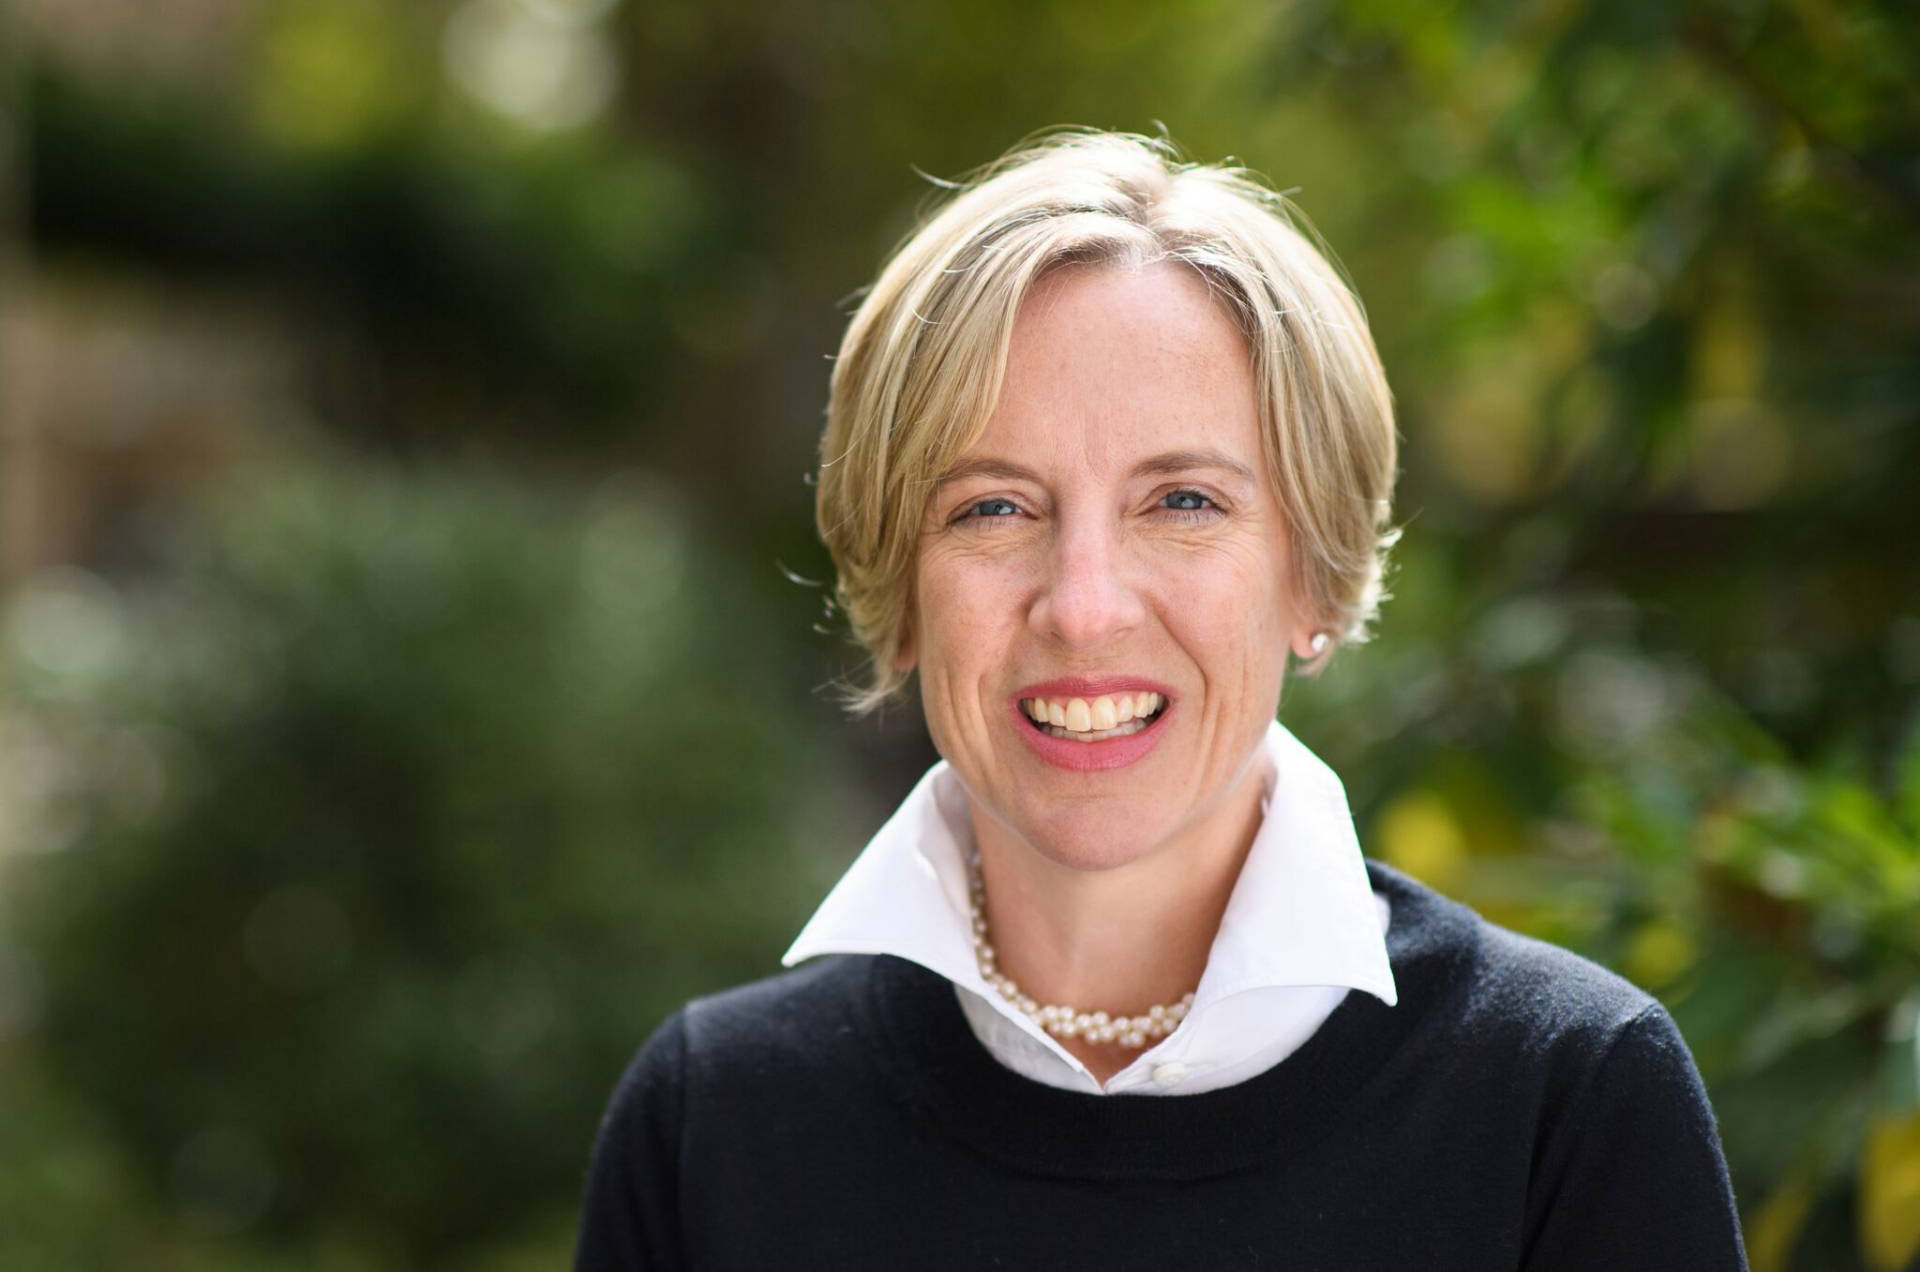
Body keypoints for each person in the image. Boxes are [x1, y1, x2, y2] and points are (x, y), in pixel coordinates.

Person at [573, 129, 1749, 1270]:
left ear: (1312, 575)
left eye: (1183, 500)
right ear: (901, 588)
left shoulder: (1568, 1101)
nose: (1083, 608)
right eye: (993, 507)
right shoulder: (711, 1125)